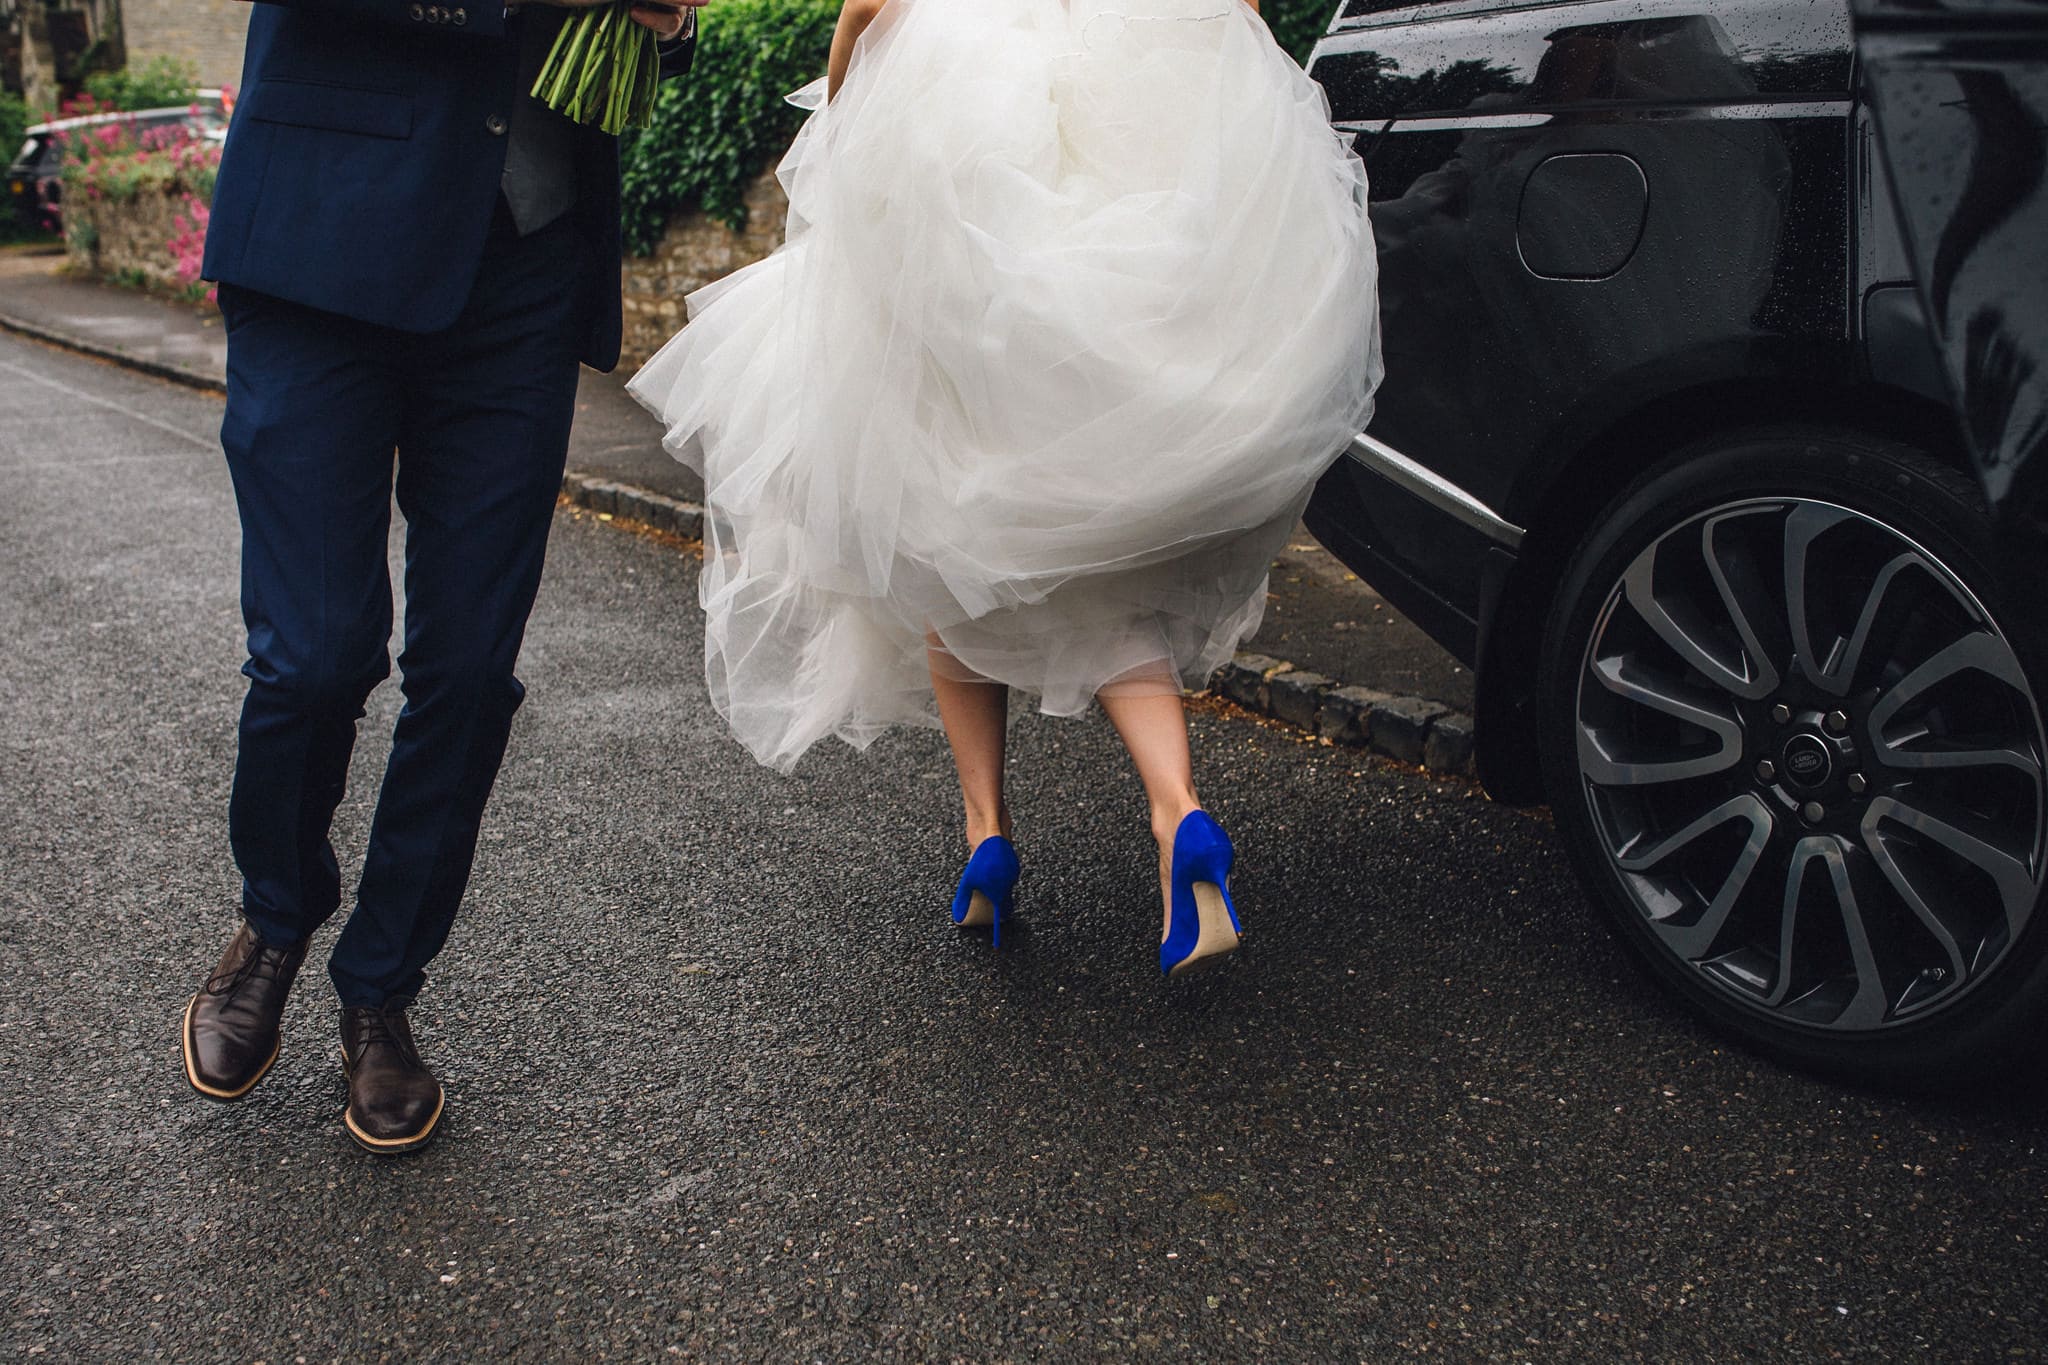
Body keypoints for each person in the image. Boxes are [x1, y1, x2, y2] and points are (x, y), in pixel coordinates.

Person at [629, 0, 1381, 975]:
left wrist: (843, 109)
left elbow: (866, 5)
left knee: (940, 532)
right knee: (1088, 566)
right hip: (1094, 234)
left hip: (960, 197)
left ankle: (985, 835)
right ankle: (1176, 811)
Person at [181, 0, 699, 1154]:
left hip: (524, 264)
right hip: (319, 243)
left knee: (468, 672)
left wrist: (663, 21)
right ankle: (276, 917)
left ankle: (381, 988)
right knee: (313, 654)